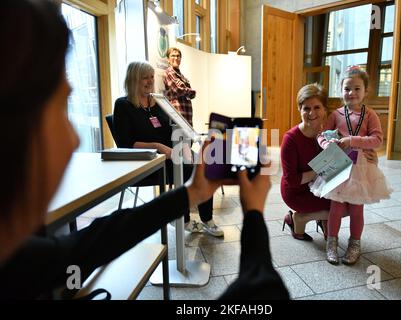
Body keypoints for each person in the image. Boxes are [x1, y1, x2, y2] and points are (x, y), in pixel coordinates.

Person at [0, 0, 289, 300]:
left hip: (169, 163)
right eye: (59, 107)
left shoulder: (23, 255)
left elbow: (100, 238)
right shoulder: (124, 105)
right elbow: (263, 298)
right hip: (145, 165)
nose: (74, 139)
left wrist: (192, 191)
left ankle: (200, 213)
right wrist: (253, 212)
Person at [113, 61, 223, 237]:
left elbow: (172, 127)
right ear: (134, 80)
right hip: (149, 162)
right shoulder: (123, 105)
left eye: (151, 77)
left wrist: (186, 137)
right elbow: (126, 143)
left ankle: (207, 219)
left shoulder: (156, 102)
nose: (150, 81)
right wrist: (159, 147)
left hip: (171, 153)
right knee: (189, 169)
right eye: (144, 78)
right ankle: (182, 219)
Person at [311, 66, 392, 265]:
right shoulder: (336, 114)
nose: (352, 93)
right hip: (338, 164)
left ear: (365, 91)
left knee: (357, 209)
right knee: (336, 207)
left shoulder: (370, 114)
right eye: (347, 88)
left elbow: (377, 139)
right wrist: (327, 144)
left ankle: (355, 243)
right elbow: (323, 135)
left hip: (360, 169)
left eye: (357, 88)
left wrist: (352, 141)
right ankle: (332, 242)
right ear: (341, 90)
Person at [280, 84, 378, 242]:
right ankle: (299, 218)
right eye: (306, 108)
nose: (312, 113)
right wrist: (321, 170)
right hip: (298, 192)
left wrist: (371, 159)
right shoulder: (290, 139)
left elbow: (349, 160)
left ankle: (323, 220)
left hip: (324, 186)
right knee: (341, 206)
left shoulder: (331, 135)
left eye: (317, 107)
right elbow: (291, 180)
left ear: (325, 110)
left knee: (353, 202)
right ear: (299, 109)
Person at [164, 47, 196, 126]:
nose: (176, 58)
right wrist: (189, 89)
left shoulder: (181, 76)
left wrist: (185, 88)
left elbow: (192, 95)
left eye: (178, 56)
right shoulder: (169, 72)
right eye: (173, 56)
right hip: (178, 113)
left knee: (187, 138)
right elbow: (178, 90)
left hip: (187, 114)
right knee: (179, 137)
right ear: (168, 59)